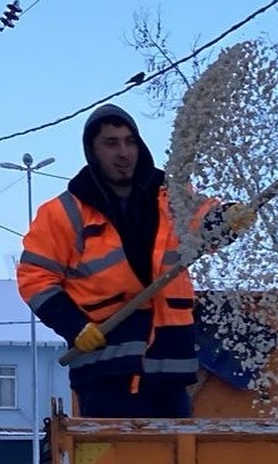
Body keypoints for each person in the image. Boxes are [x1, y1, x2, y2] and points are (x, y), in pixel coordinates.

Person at [17, 104, 253, 418]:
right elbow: (36, 278)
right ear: (92, 149)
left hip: (170, 372)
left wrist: (226, 218)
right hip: (105, 373)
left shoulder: (170, 198)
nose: (124, 152)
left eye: (130, 142)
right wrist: (75, 326)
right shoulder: (63, 213)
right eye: (111, 143)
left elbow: (203, 222)